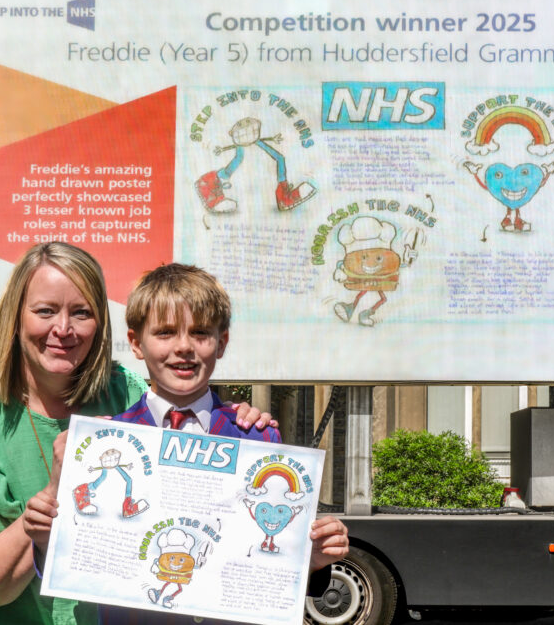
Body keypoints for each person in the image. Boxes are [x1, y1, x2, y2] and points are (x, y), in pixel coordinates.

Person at [0, 243, 273, 625]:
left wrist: (236, 423)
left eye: (81, 313)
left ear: (101, 323)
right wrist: (55, 494)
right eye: (45, 311)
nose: (63, 329)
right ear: (15, 317)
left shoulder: (126, 392)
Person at [24, 262, 350, 624]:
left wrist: (313, 558)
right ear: (136, 343)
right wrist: (45, 538)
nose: (183, 347)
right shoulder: (107, 441)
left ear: (221, 342)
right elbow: (76, 559)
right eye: (165, 333)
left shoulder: (256, 438)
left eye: (199, 333)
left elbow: (267, 566)